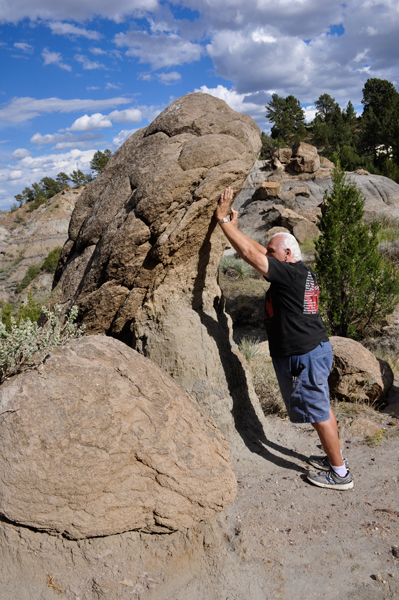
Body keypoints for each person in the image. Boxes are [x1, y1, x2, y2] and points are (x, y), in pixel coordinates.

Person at [215, 186, 353, 490]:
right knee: (322, 407)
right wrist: (236, 229)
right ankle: (335, 460)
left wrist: (223, 220)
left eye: (273, 252)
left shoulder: (289, 275)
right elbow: (258, 252)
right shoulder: (300, 271)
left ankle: (340, 474)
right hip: (313, 349)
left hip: (304, 354)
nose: (268, 256)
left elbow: (251, 254)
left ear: (287, 254)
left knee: (318, 410)